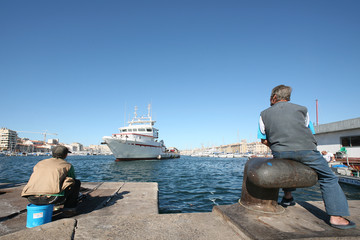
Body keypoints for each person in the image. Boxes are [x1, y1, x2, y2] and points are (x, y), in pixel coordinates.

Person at [258, 84, 355, 229]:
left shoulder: (264, 114)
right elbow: (310, 131)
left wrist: (277, 147)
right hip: (306, 149)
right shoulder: (302, 110)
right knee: (328, 177)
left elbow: (263, 139)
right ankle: (336, 217)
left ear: (274, 98)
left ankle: (288, 197)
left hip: (280, 152)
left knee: (285, 171)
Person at [21, 145, 81, 216]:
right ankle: (69, 209)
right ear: (65, 155)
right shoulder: (67, 165)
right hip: (52, 199)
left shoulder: (40, 163)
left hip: (31, 198)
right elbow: (71, 180)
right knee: (76, 183)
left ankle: (56, 205)